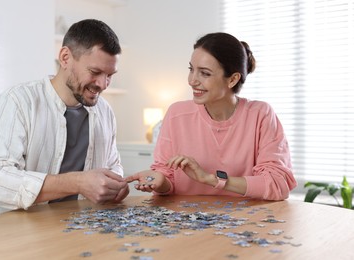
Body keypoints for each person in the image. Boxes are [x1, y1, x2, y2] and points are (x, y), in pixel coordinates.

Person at [0, 19, 129, 218]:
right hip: (15, 234)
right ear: (65, 57)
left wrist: (115, 185)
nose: (103, 84)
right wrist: (77, 183)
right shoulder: (17, 101)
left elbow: (112, 165)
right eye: (95, 72)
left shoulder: (105, 111)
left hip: (80, 230)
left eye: (110, 75)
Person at [126, 32, 297, 200]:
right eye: (191, 69)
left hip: (245, 221)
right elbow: (166, 176)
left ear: (232, 79)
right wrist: (160, 181)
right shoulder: (176, 114)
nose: (192, 80)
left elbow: (276, 184)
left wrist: (210, 179)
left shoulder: (260, 114)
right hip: (185, 222)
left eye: (205, 73)